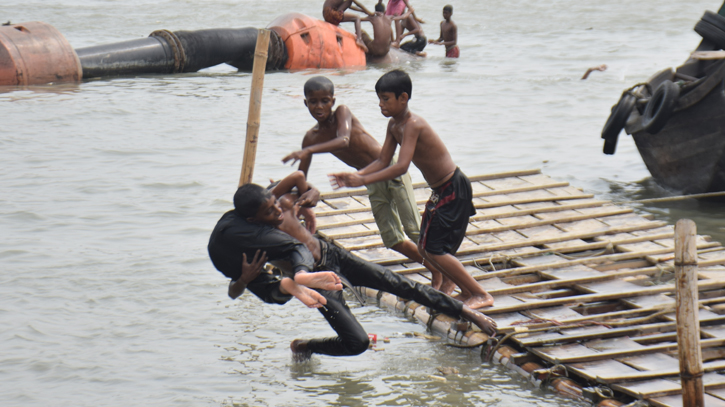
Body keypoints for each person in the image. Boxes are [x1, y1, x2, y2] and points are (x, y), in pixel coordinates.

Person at [257, 173, 497, 359]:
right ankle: (305, 346)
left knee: (397, 283)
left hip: (333, 255)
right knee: (358, 343)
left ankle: (464, 310)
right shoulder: (255, 236)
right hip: (316, 278)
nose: (277, 211)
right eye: (269, 211)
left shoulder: (282, 199)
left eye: (277, 204)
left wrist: (308, 205)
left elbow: (299, 178)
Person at [329, 70, 495, 310]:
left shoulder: (412, 125)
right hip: (441, 191)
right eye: (379, 98)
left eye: (386, 98)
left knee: (434, 250)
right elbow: (383, 160)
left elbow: (400, 166)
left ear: (403, 98)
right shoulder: (394, 125)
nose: (380, 104)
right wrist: (357, 175)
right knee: (426, 248)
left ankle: (480, 294)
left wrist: (362, 181)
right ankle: (467, 291)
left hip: (453, 188)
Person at [282, 76, 455, 295]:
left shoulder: (342, 113)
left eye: (325, 101)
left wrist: (309, 151)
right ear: (305, 103)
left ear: (333, 101)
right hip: (370, 181)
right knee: (392, 239)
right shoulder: (311, 139)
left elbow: (343, 139)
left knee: (413, 229)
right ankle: (434, 268)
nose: (319, 107)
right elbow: (301, 176)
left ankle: (446, 272)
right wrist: (287, 190)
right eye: (313, 102)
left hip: (388, 169)